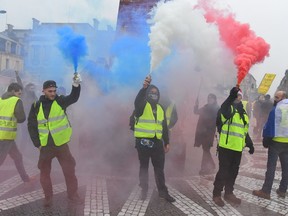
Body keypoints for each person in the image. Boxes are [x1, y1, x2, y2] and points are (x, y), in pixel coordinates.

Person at [27, 74, 82, 207]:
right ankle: (48, 197)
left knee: (69, 170)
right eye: (50, 91)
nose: (53, 93)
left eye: (54, 91)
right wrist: (37, 144)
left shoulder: (60, 101)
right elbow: (31, 125)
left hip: (61, 145)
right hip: (45, 146)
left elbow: (73, 97)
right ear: (43, 91)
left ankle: (73, 195)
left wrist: (76, 85)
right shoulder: (36, 105)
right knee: (44, 173)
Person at [134, 76, 175, 202]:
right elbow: (137, 101)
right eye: (151, 93)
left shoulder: (160, 108)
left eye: (156, 93)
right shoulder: (142, 105)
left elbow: (164, 126)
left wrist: (167, 142)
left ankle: (163, 192)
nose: (154, 95)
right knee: (144, 167)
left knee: (159, 169)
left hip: (157, 143)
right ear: (147, 94)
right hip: (143, 142)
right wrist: (143, 88)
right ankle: (144, 190)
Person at [213, 87, 254, 207]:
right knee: (223, 171)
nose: (238, 98)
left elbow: (244, 131)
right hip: (226, 147)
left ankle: (229, 193)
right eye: (236, 96)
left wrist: (250, 144)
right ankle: (216, 194)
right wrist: (231, 95)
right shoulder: (227, 109)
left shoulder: (243, 113)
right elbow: (223, 109)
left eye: (240, 96)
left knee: (233, 172)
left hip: (237, 148)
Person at [252, 91, 288, 199]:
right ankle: (282, 190)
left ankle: (266, 191)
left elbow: (269, 126)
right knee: (286, 168)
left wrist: (266, 140)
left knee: (271, 167)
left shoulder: (276, 109)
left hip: (276, 141)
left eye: (277, 97)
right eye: (274, 97)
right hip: (287, 143)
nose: (275, 99)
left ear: (283, 98)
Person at [0, 83, 35, 183]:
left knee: (18, 157)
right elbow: (21, 119)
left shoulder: (0, 100)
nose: (20, 94)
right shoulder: (16, 101)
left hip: (6, 136)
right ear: (12, 91)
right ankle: (26, 179)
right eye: (18, 92)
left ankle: (25, 179)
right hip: (6, 136)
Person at [194, 93, 219, 175]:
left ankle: (204, 168)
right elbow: (196, 112)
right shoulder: (205, 107)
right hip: (202, 132)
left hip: (209, 133)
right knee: (206, 150)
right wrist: (196, 105)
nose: (209, 100)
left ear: (214, 100)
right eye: (208, 98)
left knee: (206, 150)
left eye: (211, 98)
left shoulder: (216, 109)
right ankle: (211, 165)